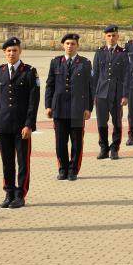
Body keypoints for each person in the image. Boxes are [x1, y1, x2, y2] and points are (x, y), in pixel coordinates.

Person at [0, 37, 40, 208]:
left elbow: (33, 102)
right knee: (7, 162)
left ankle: (20, 194)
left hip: (21, 126)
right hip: (4, 125)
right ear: (4, 53)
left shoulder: (29, 72)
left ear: (20, 52)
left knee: (22, 162)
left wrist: (29, 125)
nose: (11, 53)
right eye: (8, 51)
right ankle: (9, 192)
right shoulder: (0, 72)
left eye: (15, 50)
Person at [45, 33, 93, 181]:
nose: (70, 46)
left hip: (77, 109)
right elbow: (50, 85)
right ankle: (63, 169)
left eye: (73, 44)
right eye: (67, 44)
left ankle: (73, 170)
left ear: (77, 45)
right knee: (60, 142)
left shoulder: (85, 63)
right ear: (63, 46)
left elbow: (90, 87)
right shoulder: (56, 62)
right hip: (59, 108)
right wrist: (48, 106)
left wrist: (88, 108)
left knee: (77, 142)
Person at [92, 25, 129, 160]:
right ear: (105, 37)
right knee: (101, 122)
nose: (111, 38)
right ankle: (103, 148)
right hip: (101, 93)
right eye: (109, 36)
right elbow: (95, 75)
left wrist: (125, 95)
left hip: (117, 93)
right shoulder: (99, 52)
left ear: (118, 36)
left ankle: (114, 148)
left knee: (117, 122)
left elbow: (126, 75)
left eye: (114, 35)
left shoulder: (123, 53)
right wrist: (93, 95)